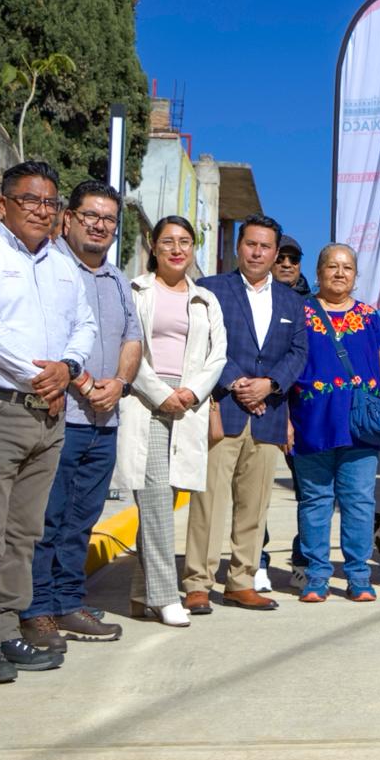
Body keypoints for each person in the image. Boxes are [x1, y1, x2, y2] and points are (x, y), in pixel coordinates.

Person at [0, 160, 97, 683]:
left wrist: (69, 369)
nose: (42, 210)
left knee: (23, 534)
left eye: (50, 203)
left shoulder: (63, 267)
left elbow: (85, 325)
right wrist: (43, 377)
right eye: (30, 200)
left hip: (48, 414)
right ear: (4, 203)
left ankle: (8, 626)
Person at [19, 181, 140, 652]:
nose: (100, 225)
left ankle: (70, 601)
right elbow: (44, 337)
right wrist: (86, 383)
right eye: (90, 215)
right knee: (46, 521)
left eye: (109, 219)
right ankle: (37, 611)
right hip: (58, 417)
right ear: (67, 219)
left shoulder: (117, 280)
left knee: (80, 522)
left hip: (104, 423)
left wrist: (120, 385)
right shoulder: (47, 268)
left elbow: (134, 338)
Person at [181, 214, 308, 613]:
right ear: (238, 247)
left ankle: (241, 580)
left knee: (254, 506)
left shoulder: (291, 301)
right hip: (225, 409)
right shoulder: (211, 289)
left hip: (268, 414)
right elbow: (203, 343)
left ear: (275, 253)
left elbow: (298, 353)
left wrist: (269, 384)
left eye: (265, 246)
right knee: (209, 502)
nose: (257, 252)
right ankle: (198, 582)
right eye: (251, 244)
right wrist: (238, 383)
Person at [114, 216, 226, 627]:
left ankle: (140, 593)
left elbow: (218, 354)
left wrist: (192, 392)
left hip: (189, 406)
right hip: (146, 401)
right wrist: (161, 393)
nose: (177, 249)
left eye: (184, 241)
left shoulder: (206, 299)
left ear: (193, 247)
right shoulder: (136, 291)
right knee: (156, 500)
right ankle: (165, 597)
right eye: (168, 242)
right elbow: (129, 347)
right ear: (153, 246)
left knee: (167, 496)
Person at [288, 244, 380, 602]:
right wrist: (284, 422)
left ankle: (358, 575)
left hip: (360, 425)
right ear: (319, 271)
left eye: (347, 268)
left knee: (358, 501)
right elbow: (284, 366)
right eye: (332, 266)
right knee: (314, 501)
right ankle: (316, 576)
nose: (340, 273)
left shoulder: (369, 317)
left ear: (356, 276)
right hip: (310, 423)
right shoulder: (300, 312)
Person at [263, 234, 311, 592]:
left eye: (293, 259)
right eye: (281, 257)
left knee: (309, 493)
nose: (286, 264)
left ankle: (302, 560)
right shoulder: (254, 299)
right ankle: (256, 560)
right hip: (260, 405)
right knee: (255, 492)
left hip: (304, 413)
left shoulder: (313, 306)